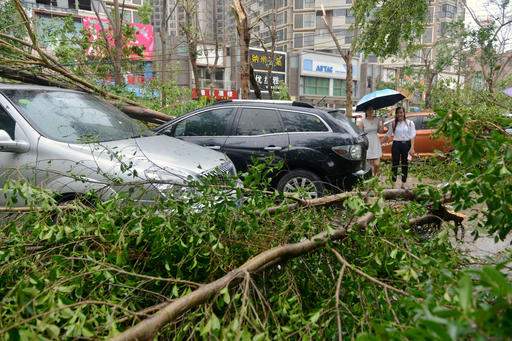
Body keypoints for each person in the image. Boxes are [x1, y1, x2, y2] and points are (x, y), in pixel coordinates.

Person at [385, 107, 416, 189]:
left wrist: (412, 148)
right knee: (395, 163)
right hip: (396, 145)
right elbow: (388, 134)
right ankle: (393, 183)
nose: (400, 114)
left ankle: (403, 183)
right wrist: (379, 142)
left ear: (404, 113)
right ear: (396, 114)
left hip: (406, 144)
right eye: (398, 113)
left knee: (405, 163)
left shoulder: (410, 123)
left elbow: (413, 136)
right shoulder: (393, 123)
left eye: (401, 112)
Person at [358, 106, 384, 176]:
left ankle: (376, 175)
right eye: (368, 110)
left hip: (375, 141)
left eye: (371, 109)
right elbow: (360, 134)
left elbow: (380, 131)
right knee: (368, 165)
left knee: (377, 164)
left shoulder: (377, 119)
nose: (370, 111)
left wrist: (382, 123)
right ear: (366, 111)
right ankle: (371, 179)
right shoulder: (362, 121)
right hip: (367, 142)